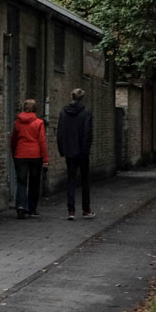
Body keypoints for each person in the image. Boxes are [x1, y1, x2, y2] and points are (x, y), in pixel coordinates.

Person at [57, 87, 94, 220]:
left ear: (72, 97)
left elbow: (60, 132)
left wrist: (62, 149)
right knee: (85, 181)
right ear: (82, 98)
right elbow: (87, 134)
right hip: (82, 152)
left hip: (70, 152)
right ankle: (86, 209)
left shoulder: (64, 112)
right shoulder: (86, 113)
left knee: (70, 180)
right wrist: (85, 150)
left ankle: (71, 211)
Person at [10, 99, 48, 219]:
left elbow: (13, 139)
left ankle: (21, 206)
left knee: (21, 181)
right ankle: (32, 209)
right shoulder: (39, 123)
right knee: (34, 182)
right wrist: (46, 158)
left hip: (20, 154)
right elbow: (42, 141)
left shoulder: (17, 122)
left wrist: (14, 152)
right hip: (35, 156)